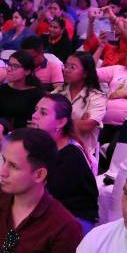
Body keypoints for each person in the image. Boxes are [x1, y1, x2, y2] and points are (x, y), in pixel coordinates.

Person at [30, 95, 99, 233]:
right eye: (36, 110)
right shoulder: (40, 146)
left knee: (19, 232)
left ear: (61, 122)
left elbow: (49, 195)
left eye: (43, 113)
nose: (34, 116)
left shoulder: (72, 155)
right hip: (42, 211)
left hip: (71, 220)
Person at [54, 52, 106, 169]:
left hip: (82, 152)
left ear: (85, 73)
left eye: (72, 67)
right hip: (55, 147)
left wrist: (56, 122)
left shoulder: (96, 96)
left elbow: (87, 126)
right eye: (66, 66)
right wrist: (77, 122)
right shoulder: (58, 92)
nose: (66, 70)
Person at [0, 50, 45, 129]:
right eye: (9, 65)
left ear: (27, 71)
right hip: (0, 130)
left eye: (15, 66)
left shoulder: (37, 94)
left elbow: (35, 122)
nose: (9, 69)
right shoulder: (3, 89)